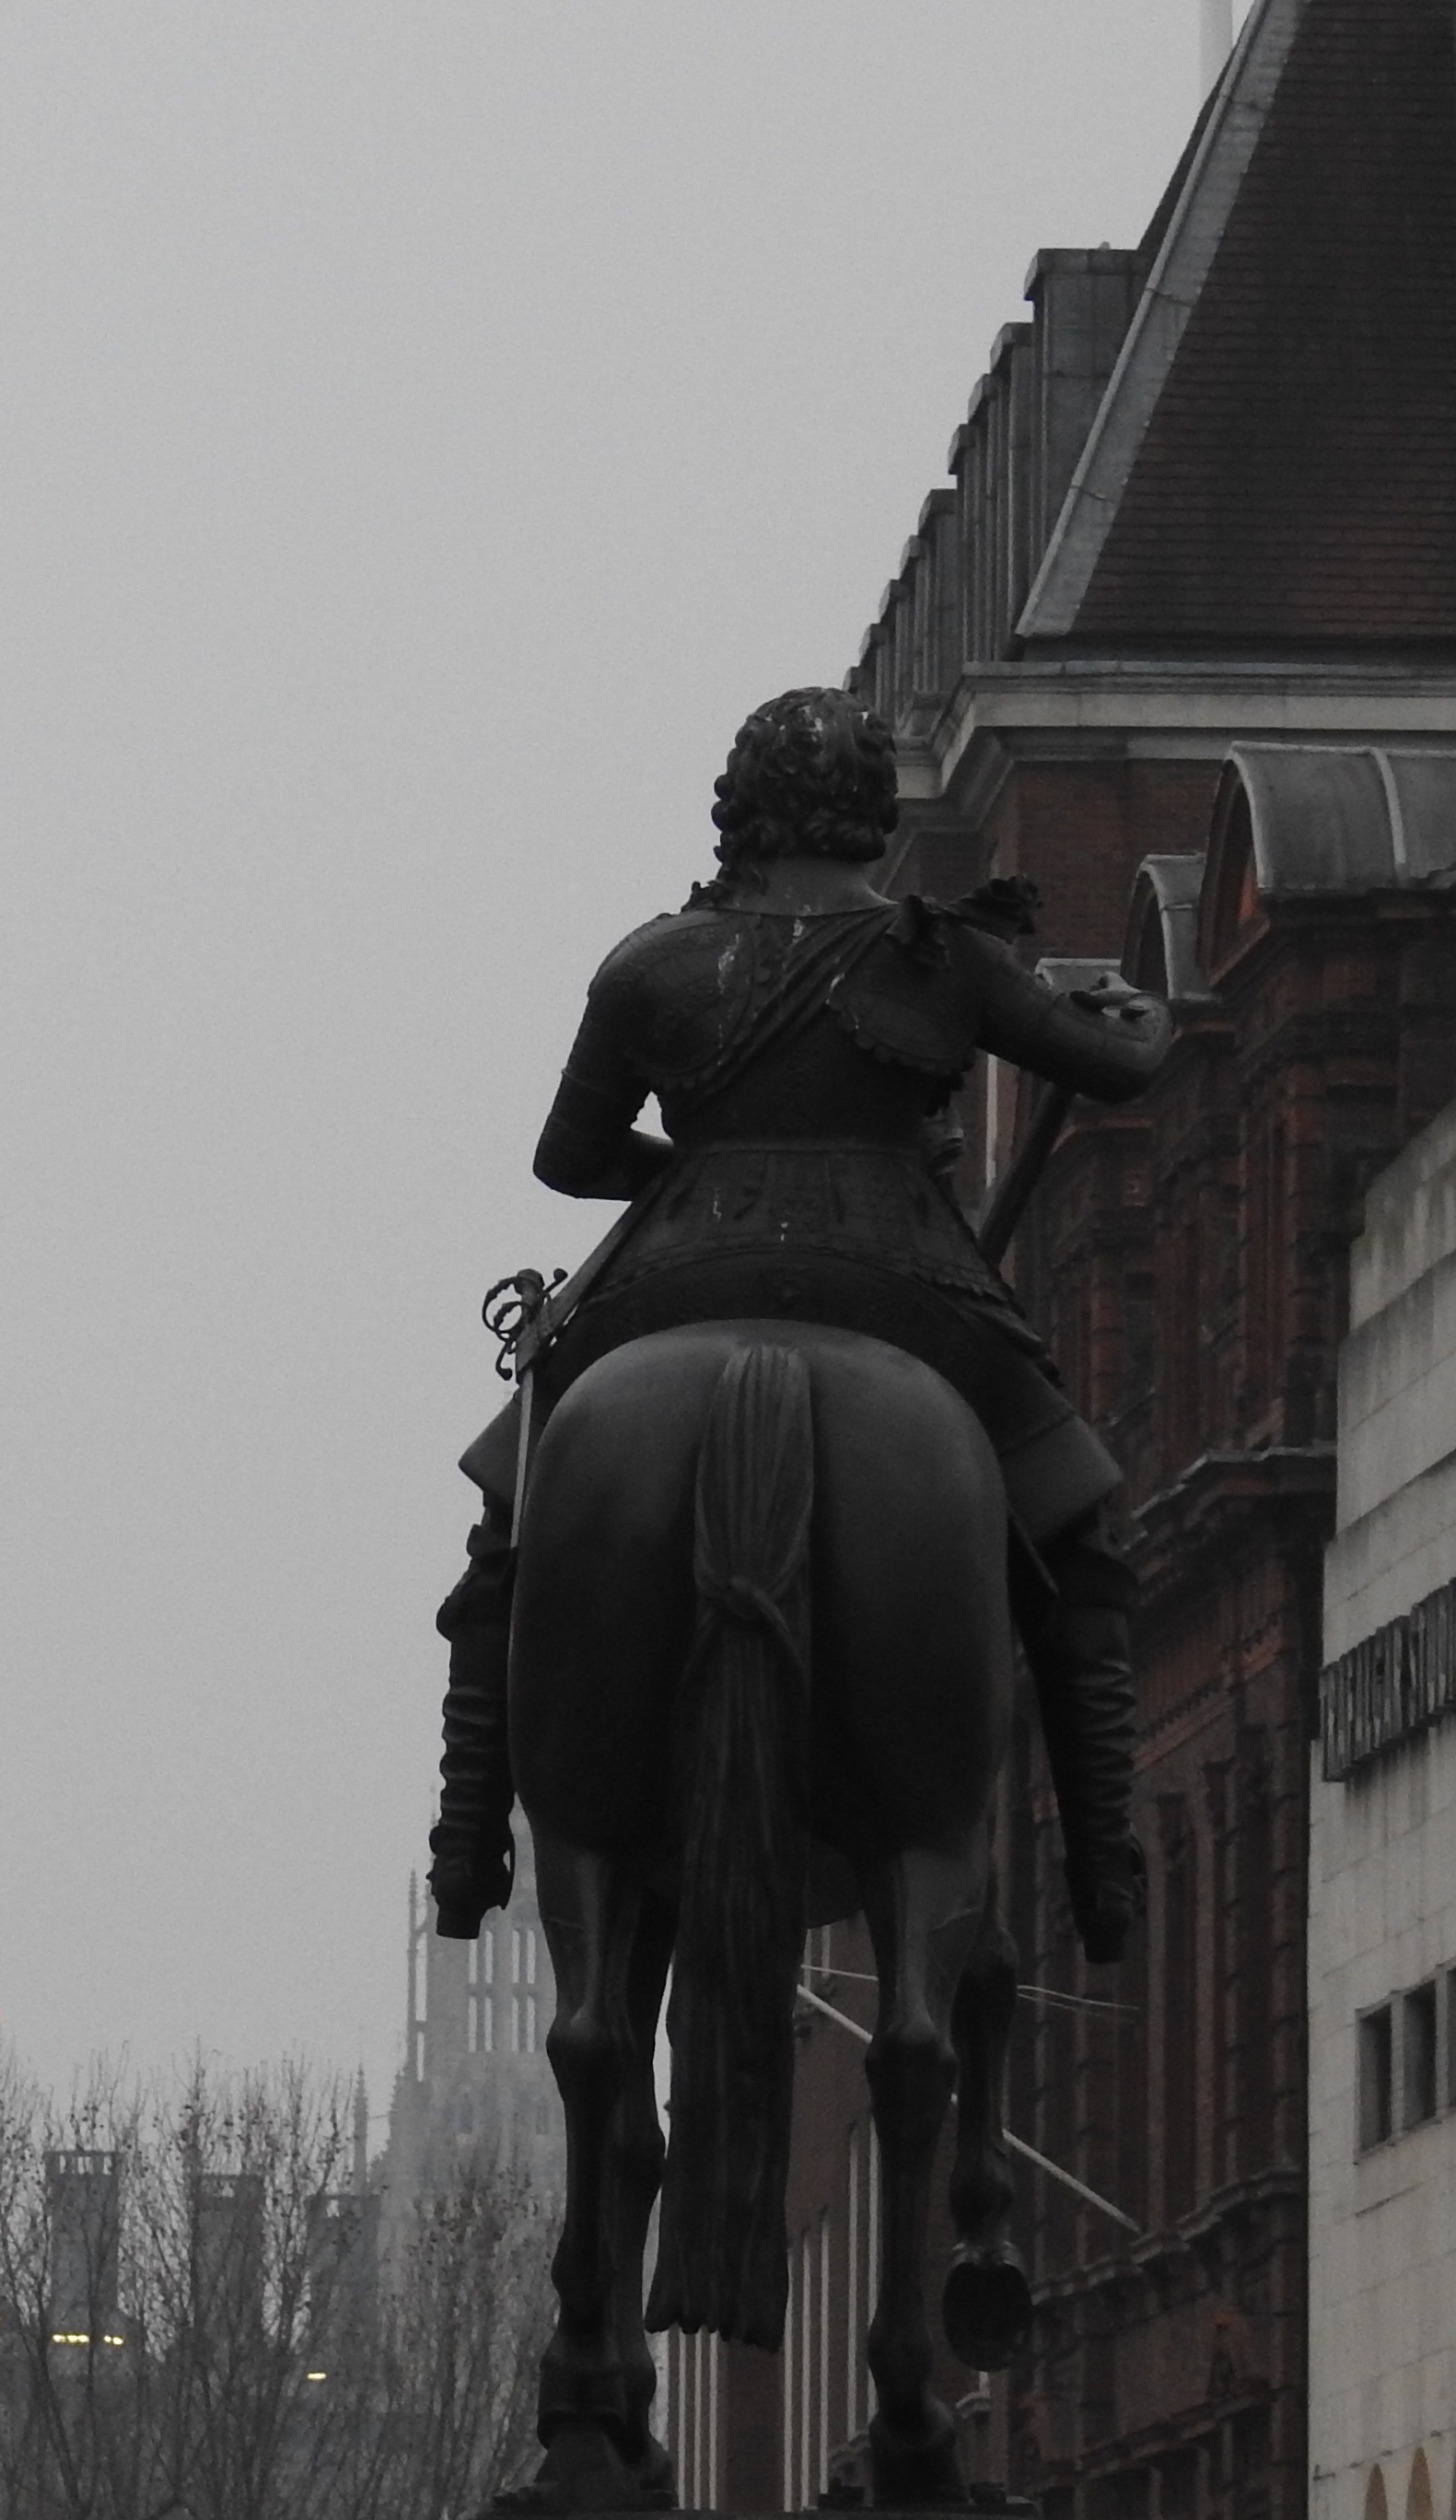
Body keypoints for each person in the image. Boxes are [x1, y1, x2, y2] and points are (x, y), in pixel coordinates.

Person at [427, 687, 1171, 1959]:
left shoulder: (653, 962)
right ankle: (1106, 1863)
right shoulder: (944, 955)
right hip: (905, 1288)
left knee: (509, 1533)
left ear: (739, 808)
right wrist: (1138, 1011)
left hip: (678, 1272)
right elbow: (1119, 1068)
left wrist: (687, 1169)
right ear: (874, 814)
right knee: (1079, 1530)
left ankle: (465, 1846)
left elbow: (568, 1157)